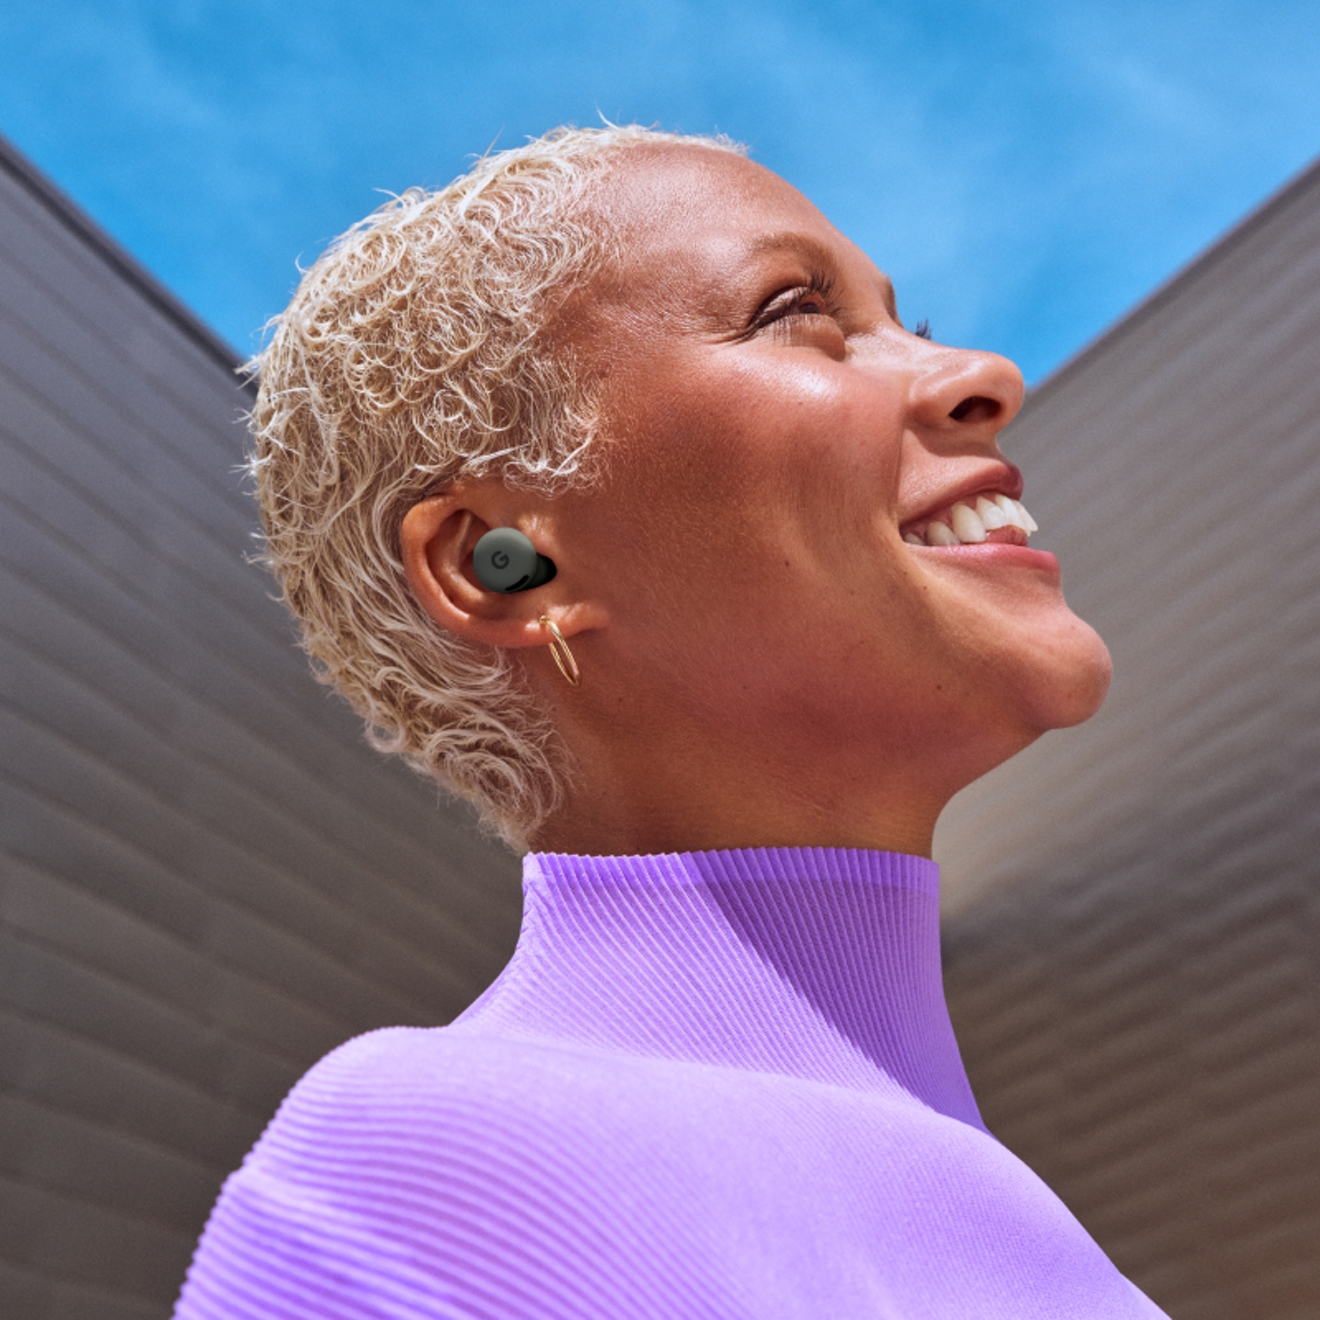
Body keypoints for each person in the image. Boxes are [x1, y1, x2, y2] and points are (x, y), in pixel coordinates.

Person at [174, 125, 1164, 1318]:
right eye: (797, 311)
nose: (986, 374)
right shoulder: (448, 1175)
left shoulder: (1005, 1202)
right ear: (509, 565)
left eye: (913, 319)